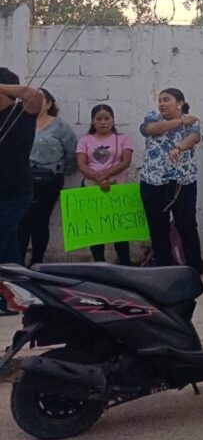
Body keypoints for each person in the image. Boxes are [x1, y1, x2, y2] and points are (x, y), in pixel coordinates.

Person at [140, 88, 203, 272]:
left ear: (180, 103)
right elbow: (151, 130)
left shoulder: (192, 121)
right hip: (153, 183)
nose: (162, 103)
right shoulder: (153, 117)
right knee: (158, 229)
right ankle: (164, 272)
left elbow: (193, 138)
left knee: (187, 226)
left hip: (182, 183)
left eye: (166, 99)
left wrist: (178, 148)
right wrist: (179, 121)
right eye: (160, 100)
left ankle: (194, 270)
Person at [0, 69, 43, 315]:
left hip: (15, 192)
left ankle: (13, 297)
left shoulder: (21, 113)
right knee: (8, 249)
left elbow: (34, 95)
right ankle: (17, 297)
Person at [18, 89, 77, 265]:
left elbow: (71, 152)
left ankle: (37, 261)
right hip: (23, 178)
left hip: (49, 180)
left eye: (40, 99)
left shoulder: (60, 127)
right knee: (22, 221)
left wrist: (60, 171)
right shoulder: (20, 123)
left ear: (49, 104)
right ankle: (18, 262)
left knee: (41, 220)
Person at [76, 104, 134, 264]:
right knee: (96, 230)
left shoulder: (123, 139)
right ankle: (99, 264)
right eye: (99, 119)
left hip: (117, 189)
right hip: (91, 187)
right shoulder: (84, 140)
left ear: (113, 120)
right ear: (92, 121)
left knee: (119, 230)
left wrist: (105, 176)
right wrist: (99, 180)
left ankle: (125, 264)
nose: (103, 122)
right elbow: (81, 164)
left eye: (107, 118)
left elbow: (126, 162)